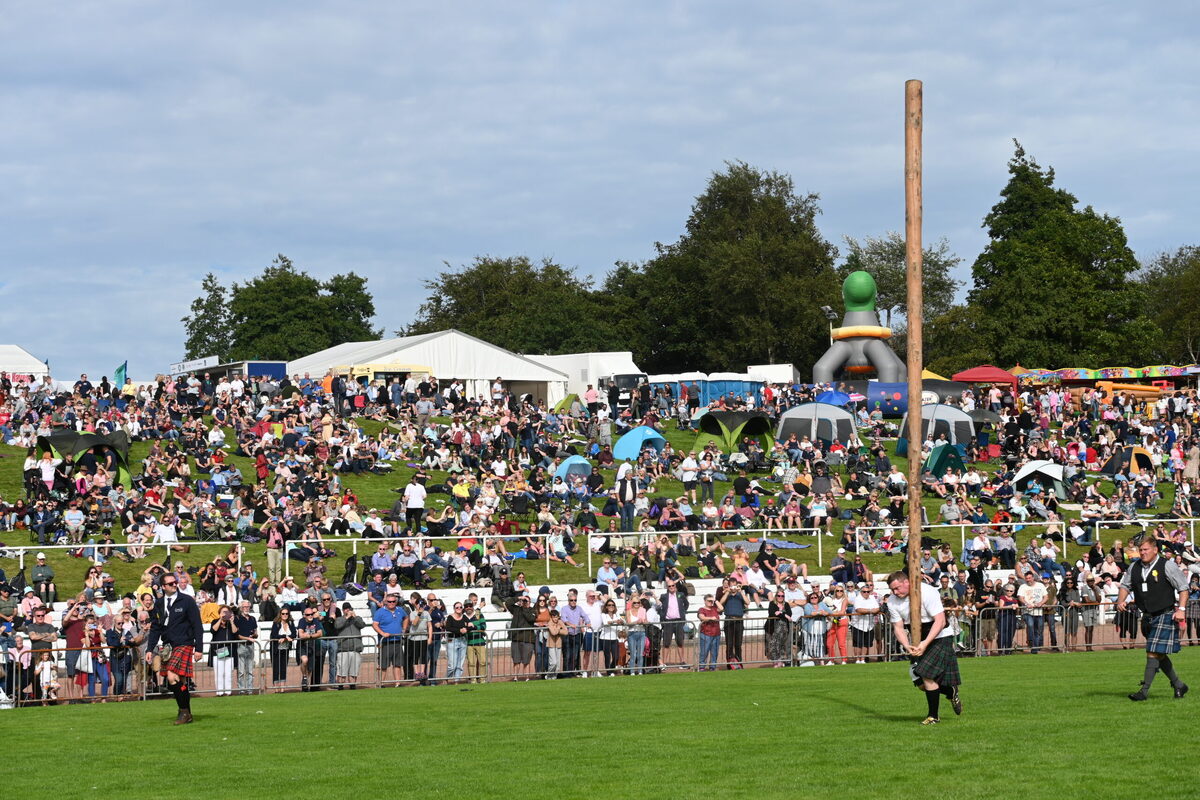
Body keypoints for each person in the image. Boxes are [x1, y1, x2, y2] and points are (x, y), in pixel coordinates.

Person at [885, 570, 962, 725]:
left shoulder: (926, 592)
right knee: (921, 683)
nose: (894, 592)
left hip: (940, 635)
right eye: (892, 589)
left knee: (927, 675)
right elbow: (898, 627)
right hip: (916, 639)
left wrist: (925, 643)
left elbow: (939, 621)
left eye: (897, 588)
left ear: (906, 582)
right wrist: (907, 645)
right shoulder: (892, 601)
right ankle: (950, 691)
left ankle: (933, 716)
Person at [1118, 537, 1190, 701]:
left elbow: (1183, 587)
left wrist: (1182, 609)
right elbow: (1125, 586)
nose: (1142, 553)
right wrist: (1120, 601)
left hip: (1165, 613)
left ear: (1155, 549)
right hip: (1147, 616)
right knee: (1159, 654)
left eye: (1145, 550)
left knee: (1152, 652)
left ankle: (1143, 691)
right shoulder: (1134, 567)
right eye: (1140, 550)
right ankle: (1179, 685)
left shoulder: (1167, 565)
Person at [145, 572, 205, 724]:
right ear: (163, 586)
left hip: (184, 642)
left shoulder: (187, 601)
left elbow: (197, 625)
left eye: (175, 582)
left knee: (171, 677)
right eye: (170, 583)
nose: (174, 585)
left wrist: (199, 648)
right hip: (168, 645)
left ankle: (183, 711)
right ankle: (186, 712)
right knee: (181, 682)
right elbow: (156, 628)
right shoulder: (158, 604)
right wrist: (149, 649)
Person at [372, 593, 407, 687]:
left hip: (398, 640)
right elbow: (375, 624)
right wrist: (383, 633)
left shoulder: (400, 610)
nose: (391, 603)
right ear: (386, 602)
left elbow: (406, 618)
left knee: (398, 664)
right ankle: (381, 683)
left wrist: (404, 628)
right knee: (383, 665)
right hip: (385, 642)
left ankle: (398, 683)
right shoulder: (380, 612)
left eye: (393, 601)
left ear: (396, 602)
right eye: (389, 601)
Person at [333, 603, 367, 689]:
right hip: (343, 649)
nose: (348, 611)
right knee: (341, 672)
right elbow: (337, 626)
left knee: (354, 671)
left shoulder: (357, 619)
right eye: (346, 609)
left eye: (349, 609)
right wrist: (346, 617)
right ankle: (340, 686)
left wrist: (355, 617)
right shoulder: (339, 619)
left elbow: (362, 625)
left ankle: (352, 686)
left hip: (355, 649)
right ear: (343, 610)